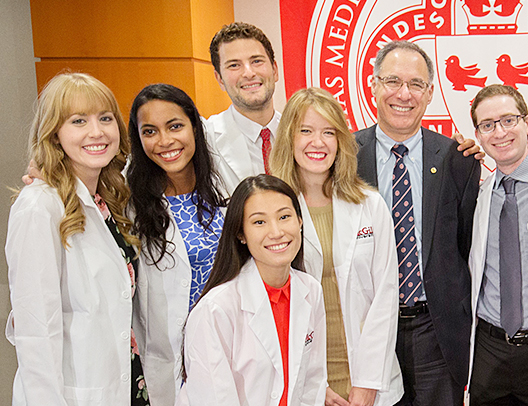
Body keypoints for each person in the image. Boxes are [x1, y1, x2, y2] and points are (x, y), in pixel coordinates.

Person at [6, 72, 147, 405]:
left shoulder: (107, 201)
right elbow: (36, 330)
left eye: (105, 118)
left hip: (125, 383)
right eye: (78, 121)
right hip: (75, 393)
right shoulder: (39, 205)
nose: (96, 132)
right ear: (55, 134)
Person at [353, 40, 481, 404]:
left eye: (416, 84)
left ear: (429, 94)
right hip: (367, 327)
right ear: (373, 85)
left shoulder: (459, 159)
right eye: (392, 81)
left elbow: (466, 243)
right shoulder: (344, 155)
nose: (403, 94)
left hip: (436, 332)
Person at [271, 87, 402, 405]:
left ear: (341, 140)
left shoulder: (369, 204)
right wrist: (315, 387)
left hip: (369, 382)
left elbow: (385, 298)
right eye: (306, 131)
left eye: (328, 132)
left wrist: (368, 383)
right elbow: (271, 306)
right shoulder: (270, 209)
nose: (318, 142)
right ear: (289, 137)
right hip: (306, 383)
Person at [178, 174, 327, 405]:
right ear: (241, 234)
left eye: (284, 217)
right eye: (259, 222)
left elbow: (313, 384)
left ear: (300, 221)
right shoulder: (215, 310)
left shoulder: (310, 290)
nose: (276, 232)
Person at [126, 83, 229, 406]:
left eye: (175, 126)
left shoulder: (225, 184)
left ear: (195, 128)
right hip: (172, 362)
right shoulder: (127, 203)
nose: (165, 141)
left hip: (230, 347)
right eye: (150, 131)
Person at [466, 84, 528, 405]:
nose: (499, 132)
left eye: (509, 120)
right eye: (487, 125)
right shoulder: (480, 194)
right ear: (479, 134)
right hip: (489, 350)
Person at [206, 22, 281, 191]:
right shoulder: (205, 140)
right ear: (219, 79)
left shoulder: (302, 134)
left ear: (275, 70)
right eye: (234, 65)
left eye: (256, 61)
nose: (248, 73)